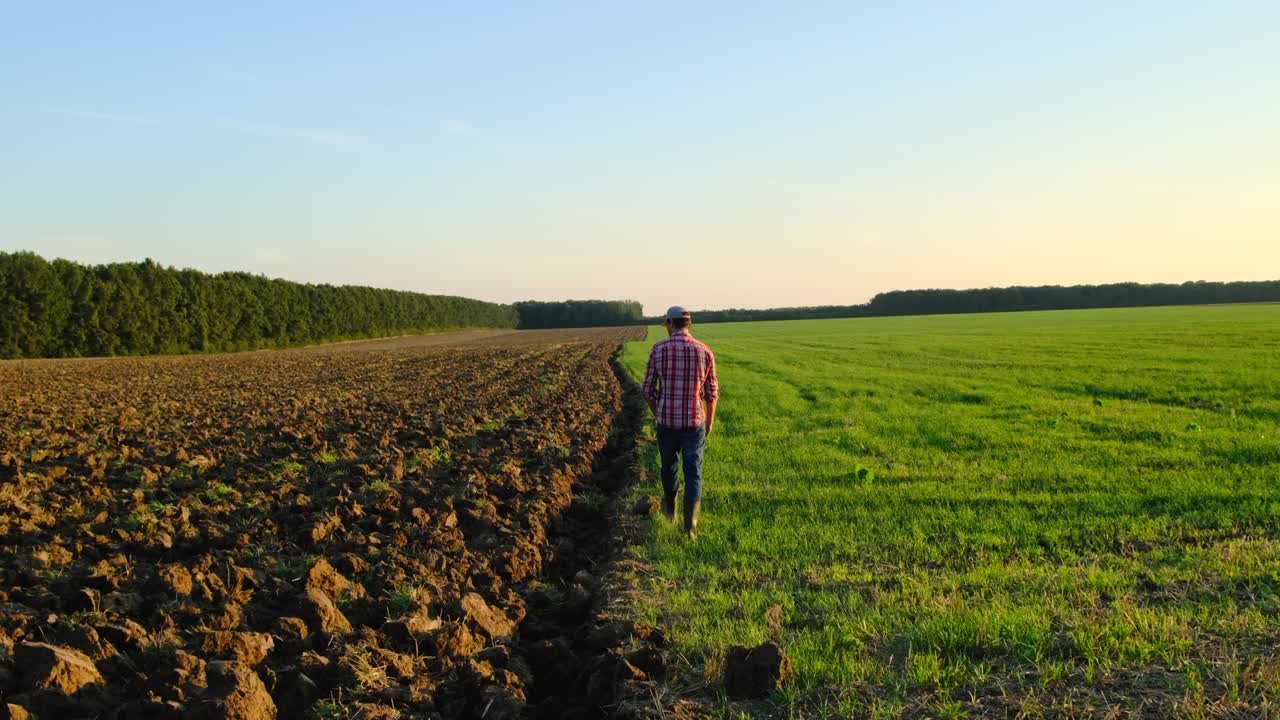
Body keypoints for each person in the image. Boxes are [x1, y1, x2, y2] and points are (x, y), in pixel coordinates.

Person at [641, 306, 719, 540]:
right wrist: (709, 422)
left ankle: (671, 513)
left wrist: (658, 412)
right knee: (694, 472)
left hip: (666, 422)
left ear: (670, 323)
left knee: (668, 467)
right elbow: (711, 393)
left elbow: (647, 390)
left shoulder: (658, 350)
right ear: (688, 324)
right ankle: (691, 529)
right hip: (695, 423)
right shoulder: (705, 351)